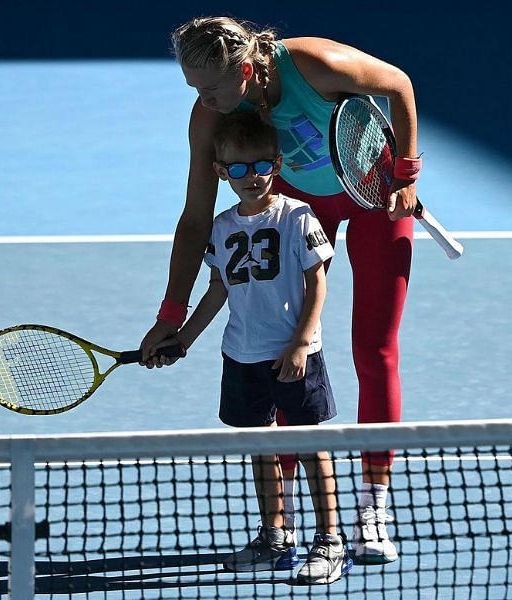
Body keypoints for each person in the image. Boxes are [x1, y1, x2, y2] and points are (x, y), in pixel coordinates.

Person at [143, 16, 416, 564]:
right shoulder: (209, 120)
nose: (204, 100)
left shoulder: (316, 64)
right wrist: (171, 314)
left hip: (374, 193)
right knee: (276, 349)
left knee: (375, 349)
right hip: (300, 204)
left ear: (246, 70)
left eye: (212, 87)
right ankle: (281, 524)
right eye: (194, 87)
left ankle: (372, 506)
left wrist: (407, 174)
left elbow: (399, 84)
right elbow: (196, 221)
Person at [152, 111, 348, 584]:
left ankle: (330, 541)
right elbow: (218, 291)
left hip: (294, 353)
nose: (251, 176)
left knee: (310, 447)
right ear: (221, 172)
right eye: (238, 169)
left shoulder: (298, 217)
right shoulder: (220, 228)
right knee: (260, 446)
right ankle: (275, 533)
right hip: (241, 355)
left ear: (277, 165)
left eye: (260, 165)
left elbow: (317, 283)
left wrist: (302, 341)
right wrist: (183, 338)